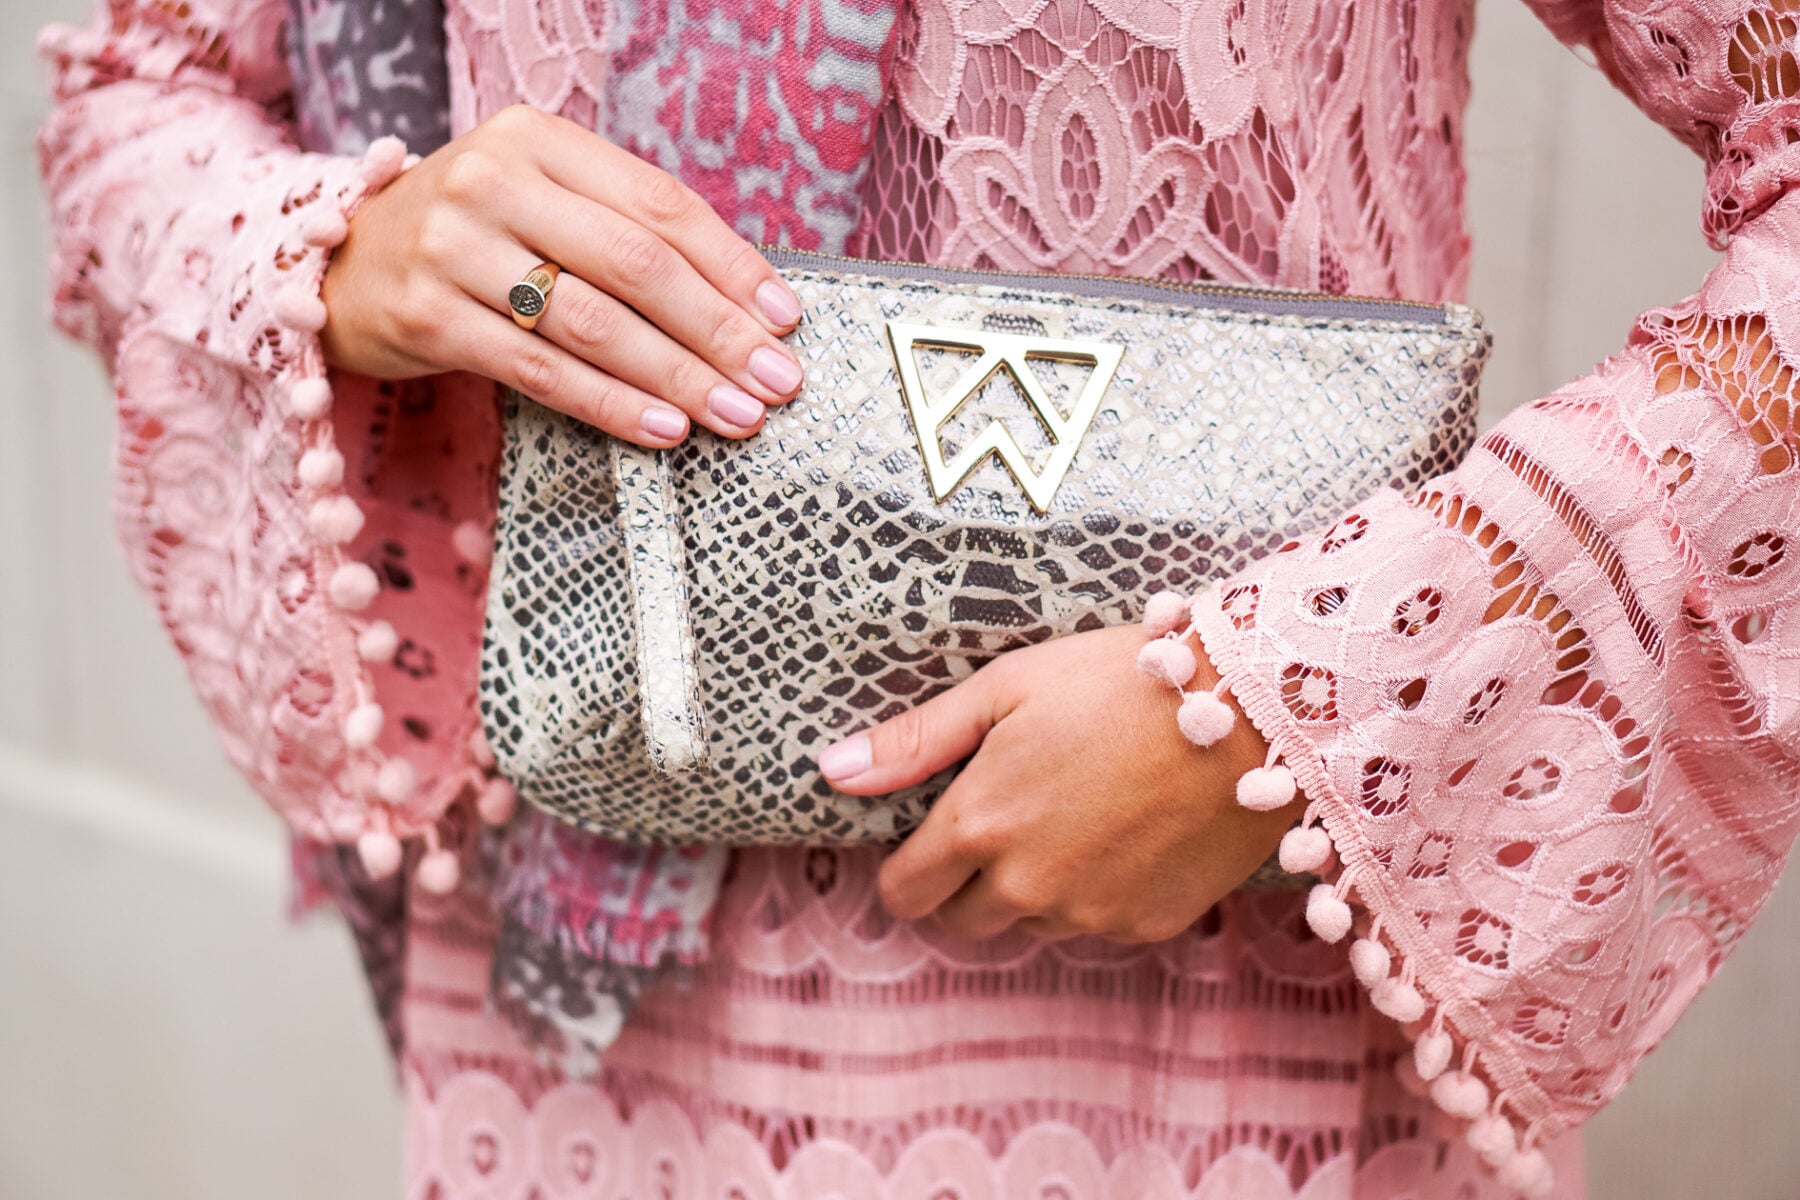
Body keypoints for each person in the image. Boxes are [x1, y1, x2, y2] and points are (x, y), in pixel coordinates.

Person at [33, 0, 1800, 1195]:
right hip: (586, 999)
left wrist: (1298, 696)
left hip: (1210, 1007)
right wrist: (350, 248)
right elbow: (136, 96)